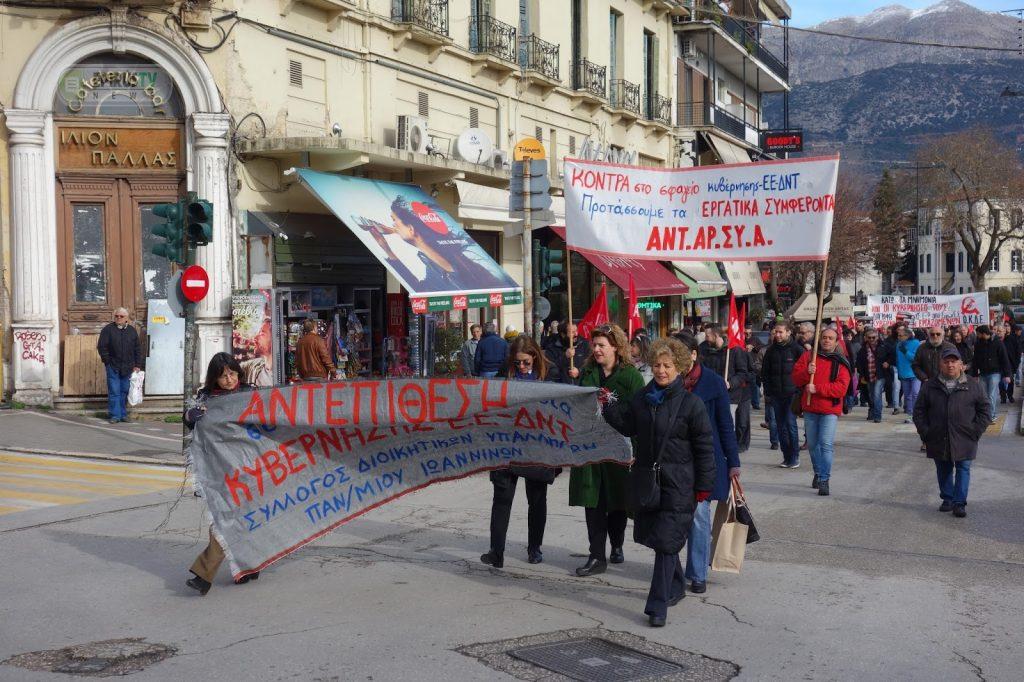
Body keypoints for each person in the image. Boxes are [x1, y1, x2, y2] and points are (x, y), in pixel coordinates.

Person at [602, 337, 716, 627]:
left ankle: (657, 606)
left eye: (667, 365)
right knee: (656, 537)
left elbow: (704, 449)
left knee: (666, 543)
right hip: (649, 480)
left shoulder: (692, 404)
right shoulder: (642, 398)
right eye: (656, 365)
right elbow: (628, 425)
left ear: (679, 367)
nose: (661, 371)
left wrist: (704, 486)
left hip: (681, 484)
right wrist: (607, 407)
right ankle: (676, 585)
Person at [569, 324, 645, 577]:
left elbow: (638, 415)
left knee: (618, 502)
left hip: (620, 448)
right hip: (592, 448)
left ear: (616, 347)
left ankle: (617, 543)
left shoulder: (630, 377)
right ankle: (596, 555)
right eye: (595, 345)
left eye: (602, 345)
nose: (597, 349)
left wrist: (637, 449)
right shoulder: (588, 372)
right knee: (593, 502)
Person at [481, 337, 560, 568]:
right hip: (507, 444)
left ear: (534, 356)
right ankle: (497, 551)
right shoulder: (507, 372)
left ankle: (534, 548)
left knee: (536, 499)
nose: (522, 367)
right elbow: (490, 400)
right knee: (502, 498)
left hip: (538, 445)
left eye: (525, 362)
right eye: (518, 363)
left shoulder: (551, 373)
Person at [185, 353, 256, 595]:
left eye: (232, 373)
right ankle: (248, 565)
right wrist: (191, 417)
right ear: (214, 378)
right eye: (223, 375)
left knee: (233, 519)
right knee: (226, 518)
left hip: (248, 467)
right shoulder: (205, 398)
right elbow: (189, 419)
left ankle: (206, 575)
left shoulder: (251, 394)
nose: (228, 379)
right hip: (218, 469)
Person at [674, 332, 739, 595]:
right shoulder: (668, 381)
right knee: (675, 517)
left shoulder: (713, 383)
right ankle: (671, 568)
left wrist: (733, 462)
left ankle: (697, 573)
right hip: (675, 460)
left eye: (679, 351)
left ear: (692, 354)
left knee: (699, 517)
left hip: (705, 460)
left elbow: (725, 425)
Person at [913, 347, 991, 518]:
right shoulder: (930, 386)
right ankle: (947, 498)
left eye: (954, 362)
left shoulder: (973, 385)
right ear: (940, 365)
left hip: (965, 437)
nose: (950, 365)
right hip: (938, 436)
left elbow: (985, 410)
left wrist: (975, 431)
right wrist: (926, 432)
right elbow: (919, 412)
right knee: (943, 468)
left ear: (961, 365)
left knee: (963, 468)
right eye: (946, 362)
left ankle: (959, 502)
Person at [792, 328, 852, 496]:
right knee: (812, 445)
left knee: (826, 444)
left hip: (829, 409)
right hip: (810, 408)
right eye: (824, 337)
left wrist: (817, 388)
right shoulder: (808, 357)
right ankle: (818, 472)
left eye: (830, 338)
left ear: (836, 341)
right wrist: (807, 372)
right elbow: (795, 378)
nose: (826, 340)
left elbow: (841, 388)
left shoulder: (841, 362)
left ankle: (824, 479)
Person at [699, 326, 753, 453]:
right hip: (710, 393)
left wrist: (730, 383)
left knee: (727, 423)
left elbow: (742, 373)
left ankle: (728, 450)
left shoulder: (734, 350)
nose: (705, 338)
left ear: (716, 336)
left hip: (730, 395)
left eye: (707, 335)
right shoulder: (704, 349)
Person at [761, 322, 804, 468]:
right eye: (775, 332)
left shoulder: (797, 349)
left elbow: (804, 372)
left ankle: (795, 457)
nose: (777, 335)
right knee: (780, 426)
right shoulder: (771, 351)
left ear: (788, 333)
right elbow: (765, 373)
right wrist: (767, 392)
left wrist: (800, 392)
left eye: (780, 332)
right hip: (776, 395)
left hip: (792, 394)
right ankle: (786, 456)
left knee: (790, 424)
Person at [96, 307, 143, 424]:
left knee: (124, 391)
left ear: (126, 318)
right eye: (117, 316)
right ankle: (114, 415)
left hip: (128, 367)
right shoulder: (108, 330)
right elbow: (102, 347)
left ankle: (123, 414)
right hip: (113, 366)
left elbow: (137, 349)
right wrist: (107, 361)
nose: (118, 318)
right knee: (114, 391)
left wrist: (137, 364)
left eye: (121, 316)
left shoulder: (132, 331)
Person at [969, 325, 1011, 423]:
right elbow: (975, 360)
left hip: (995, 373)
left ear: (983, 333)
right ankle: (985, 415)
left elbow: (1004, 359)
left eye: (978, 334)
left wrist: (1007, 375)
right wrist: (975, 374)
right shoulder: (978, 343)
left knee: (991, 394)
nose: (977, 336)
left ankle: (991, 415)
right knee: (984, 395)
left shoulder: (998, 343)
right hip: (983, 373)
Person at [856, 328, 893, 424]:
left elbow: (892, 355)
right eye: (870, 337)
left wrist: (888, 362)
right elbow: (859, 363)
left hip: (880, 375)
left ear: (877, 336)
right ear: (866, 338)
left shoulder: (884, 346)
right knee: (872, 395)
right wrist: (862, 374)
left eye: (874, 337)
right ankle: (872, 411)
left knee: (877, 395)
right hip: (868, 375)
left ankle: (877, 416)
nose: (872, 339)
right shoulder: (863, 349)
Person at [895, 326, 922, 424]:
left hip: (915, 373)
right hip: (903, 373)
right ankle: (910, 414)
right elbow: (898, 360)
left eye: (901, 336)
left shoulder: (916, 343)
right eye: (898, 335)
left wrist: (905, 352)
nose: (899, 337)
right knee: (907, 396)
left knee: (915, 393)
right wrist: (899, 372)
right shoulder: (898, 345)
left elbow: (915, 358)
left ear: (907, 335)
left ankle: (917, 415)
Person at [997, 324, 1017, 404]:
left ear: (1004, 332)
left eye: (1001, 331)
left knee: (1010, 381)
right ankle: (1003, 397)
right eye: (998, 331)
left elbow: (1015, 352)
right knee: (1001, 382)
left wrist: (1015, 364)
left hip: (1010, 365)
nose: (999, 333)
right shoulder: (996, 341)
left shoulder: (1010, 340)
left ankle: (1010, 395)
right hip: (999, 366)